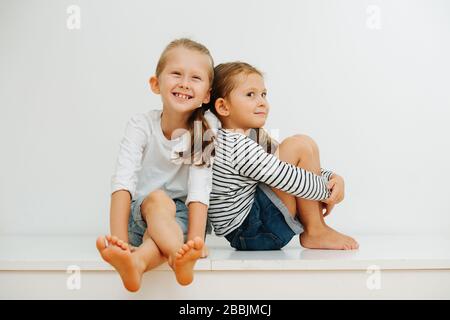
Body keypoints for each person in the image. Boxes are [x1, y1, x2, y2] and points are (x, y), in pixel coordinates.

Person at [96, 38, 217, 291]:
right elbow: (123, 182)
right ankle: (178, 259)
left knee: (161, 232)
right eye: (176, 74)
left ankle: (138, 263)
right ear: (155, 84)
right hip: (140, 216)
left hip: (185, 224)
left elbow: (199, 188)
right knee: (158, 201)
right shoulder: (141, 125)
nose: (184, 83)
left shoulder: (205, 128)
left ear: (207, 94)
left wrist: (195, 240)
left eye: (195, 77)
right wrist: (119, 240)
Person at [207, 62, 359, 251]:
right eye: (250, 95)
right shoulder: (233, 144)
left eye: (263, 94)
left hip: (254, 227)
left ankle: (317, 229)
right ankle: (316, 230)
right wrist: (327, 193)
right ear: (223, 106)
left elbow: (296, 167)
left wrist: (332, 179)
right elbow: (286, 176)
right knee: (298, 145)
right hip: (252, 231)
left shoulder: (252, 135)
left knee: (303, 143)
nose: (262, 101)